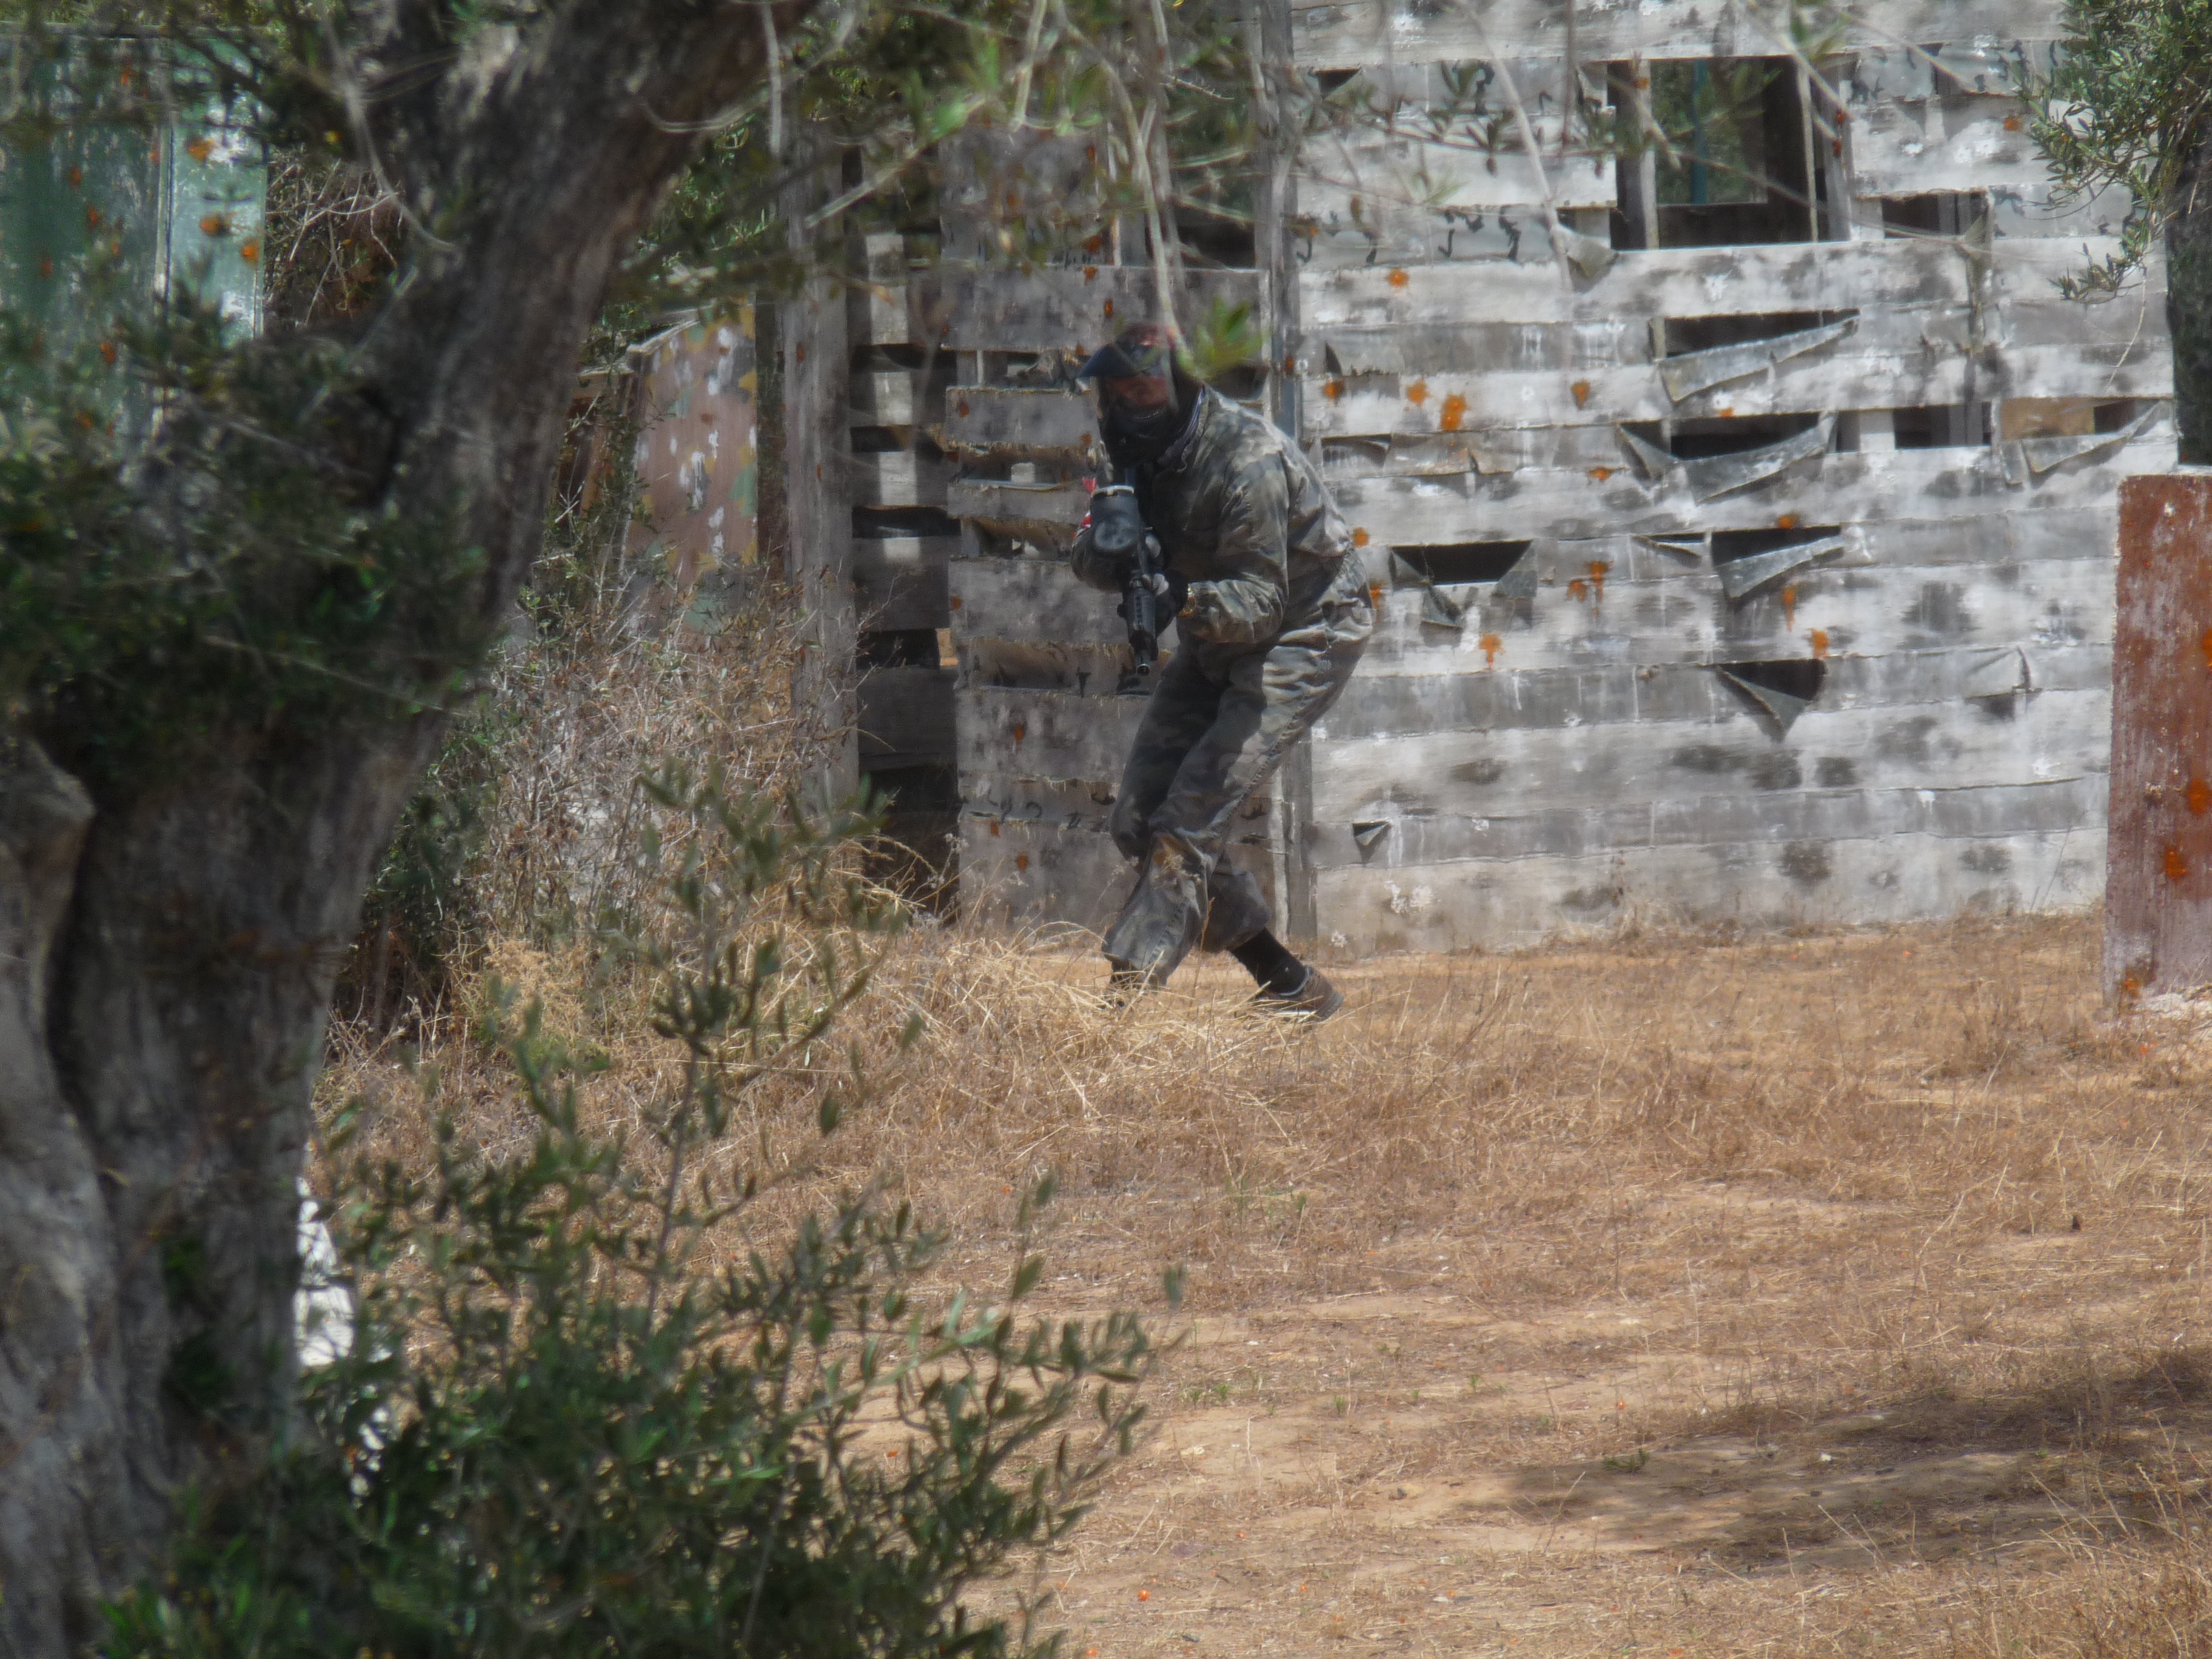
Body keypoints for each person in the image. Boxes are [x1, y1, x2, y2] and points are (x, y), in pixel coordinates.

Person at [1068, 321, 1373, 1019]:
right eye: (1118, 387)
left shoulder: (1246, 459)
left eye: (1144, 385)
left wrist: (1179, 597)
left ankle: (1123, 1007)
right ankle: (1288, 982)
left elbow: (1262, 604)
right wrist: (1111, 552)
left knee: (1190, 817)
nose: (1129, 400)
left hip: (1307, 629)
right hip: (1217, 633)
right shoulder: (1127, 454)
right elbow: (1088, 557)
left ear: (1179, 384)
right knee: (1139, 818)